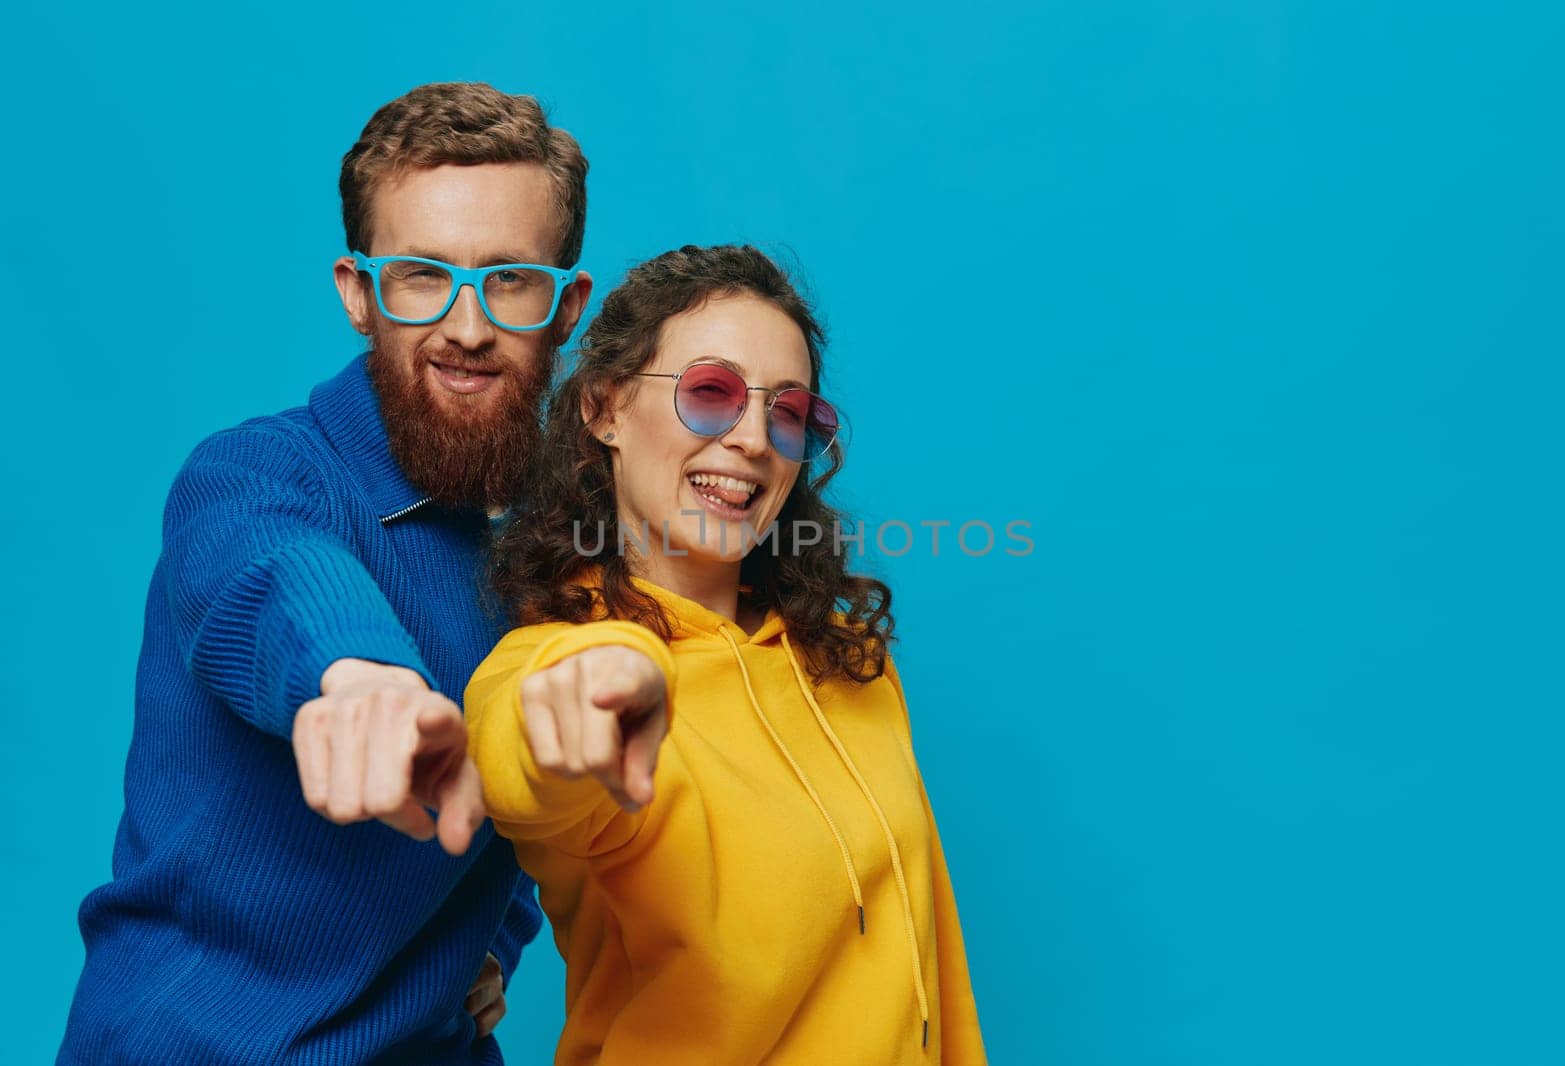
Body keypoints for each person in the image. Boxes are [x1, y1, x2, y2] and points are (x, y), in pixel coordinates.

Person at [59, 82, 594, 1064]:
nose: (467, 325)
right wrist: (361, 679)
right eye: (421, 277)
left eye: (508, 279)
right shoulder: (253, 473)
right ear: (357, 295)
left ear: (564, 305)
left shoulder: (557, 559)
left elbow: (534, 791)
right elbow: (274, 573)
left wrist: (494, 941)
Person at [465, 244, 986, 1064]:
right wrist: (579, 702)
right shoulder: (558, 661)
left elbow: (928, 971)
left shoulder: (848, 662)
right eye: (712, 394)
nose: (752, 440)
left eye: (788, 413)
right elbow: (521, 760)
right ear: (604, 408)